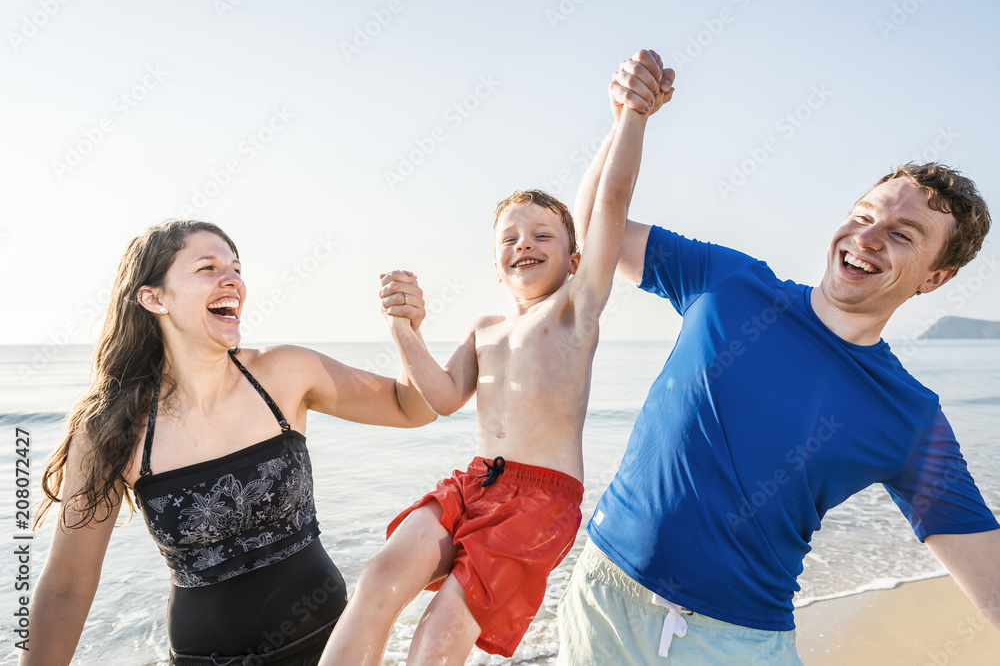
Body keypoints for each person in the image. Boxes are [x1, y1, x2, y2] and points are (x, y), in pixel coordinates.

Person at [556, 52, 1000, 665]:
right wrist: (626, 119)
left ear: (937, 277)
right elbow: (593, 227)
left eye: (902, 235)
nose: (867, 237)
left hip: (734, 643)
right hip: (601, 599)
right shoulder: (731, 282)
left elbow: (994, 587)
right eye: (864, 215)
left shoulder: (908, 417)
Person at [319, 52, 674, 666]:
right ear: (494, 258)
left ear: (573, 259)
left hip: (542, 499)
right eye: (510, 237)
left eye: (542, 235)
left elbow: (610, 202)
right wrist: (404, 328)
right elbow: (444, 398)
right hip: (475, 480)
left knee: (438, 637)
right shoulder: (484, 328)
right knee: (379, 576)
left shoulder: (574, 311)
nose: (523, 244)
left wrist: (629, 119)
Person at [25, 221, 437, 665]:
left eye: (236, 268)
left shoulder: (285, 374)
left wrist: (406, 331)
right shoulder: (111, 430)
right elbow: (66, 587)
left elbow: (413, 408)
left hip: (335, 647)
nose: (232, 280)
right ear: (154, 297)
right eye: (207, 267)